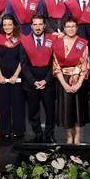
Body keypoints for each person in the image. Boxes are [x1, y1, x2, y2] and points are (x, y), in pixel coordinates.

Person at [53, 17, 90, 143]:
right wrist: (64, 84)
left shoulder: (82, 43)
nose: (70, 29)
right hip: (63, 80)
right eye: (68, 26)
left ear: (77, 28)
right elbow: (56, 66)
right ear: (64, 28)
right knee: (66, 109)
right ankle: (69, 136)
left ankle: (78, 136)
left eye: (73, 26)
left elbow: (85, 64)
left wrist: (79, 83)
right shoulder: (58, 43)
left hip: (79, 79)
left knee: (79, 109)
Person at [20, 14, 56, 143]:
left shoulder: (53, 39)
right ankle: (38, 133)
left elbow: (55, 63)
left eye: (40, 24)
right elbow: (23, 64)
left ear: (44, 25)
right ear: (31, 26)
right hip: (31, 79)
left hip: (48, 78)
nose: (38, 27)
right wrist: (33, 81)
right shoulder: (24, 41)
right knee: (33, 110)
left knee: (50, 110)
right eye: (35, 24)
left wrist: (46, 80)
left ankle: (49, 134)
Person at [0, 14, 26, 140]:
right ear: (2, 26)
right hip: (1, 77)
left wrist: (15, 75)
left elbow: (22, 60)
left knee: (18, 104)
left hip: (16, 77)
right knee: (3, 104)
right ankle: (4, 130)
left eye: (9, 24)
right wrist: (0, 75)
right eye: (5, 24)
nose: (7, 27)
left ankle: (18, 130)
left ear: (14, 25)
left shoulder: (20, 39)